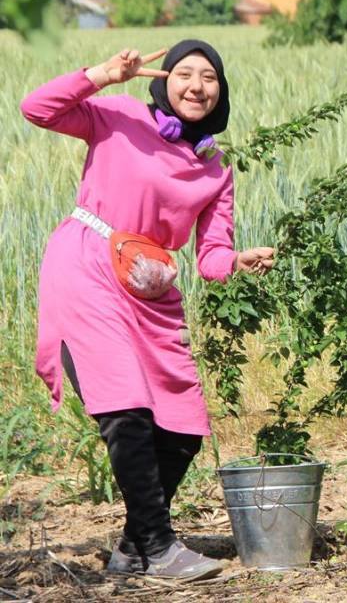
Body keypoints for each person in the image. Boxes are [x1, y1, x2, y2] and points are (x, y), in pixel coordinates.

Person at [20, 41, 275, 580]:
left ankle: (133, 549)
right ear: (162, 81)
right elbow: (36, 108)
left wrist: (238, 260)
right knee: (126, 407)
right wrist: (103, 75)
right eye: (184, 73)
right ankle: (159, 548)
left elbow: (210, 257)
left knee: (182, 425)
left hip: (151, 289)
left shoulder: (216, 168)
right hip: (88, 266)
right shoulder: (119, 116)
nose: (196, 85)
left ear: (220, 93)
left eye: (210, 77)